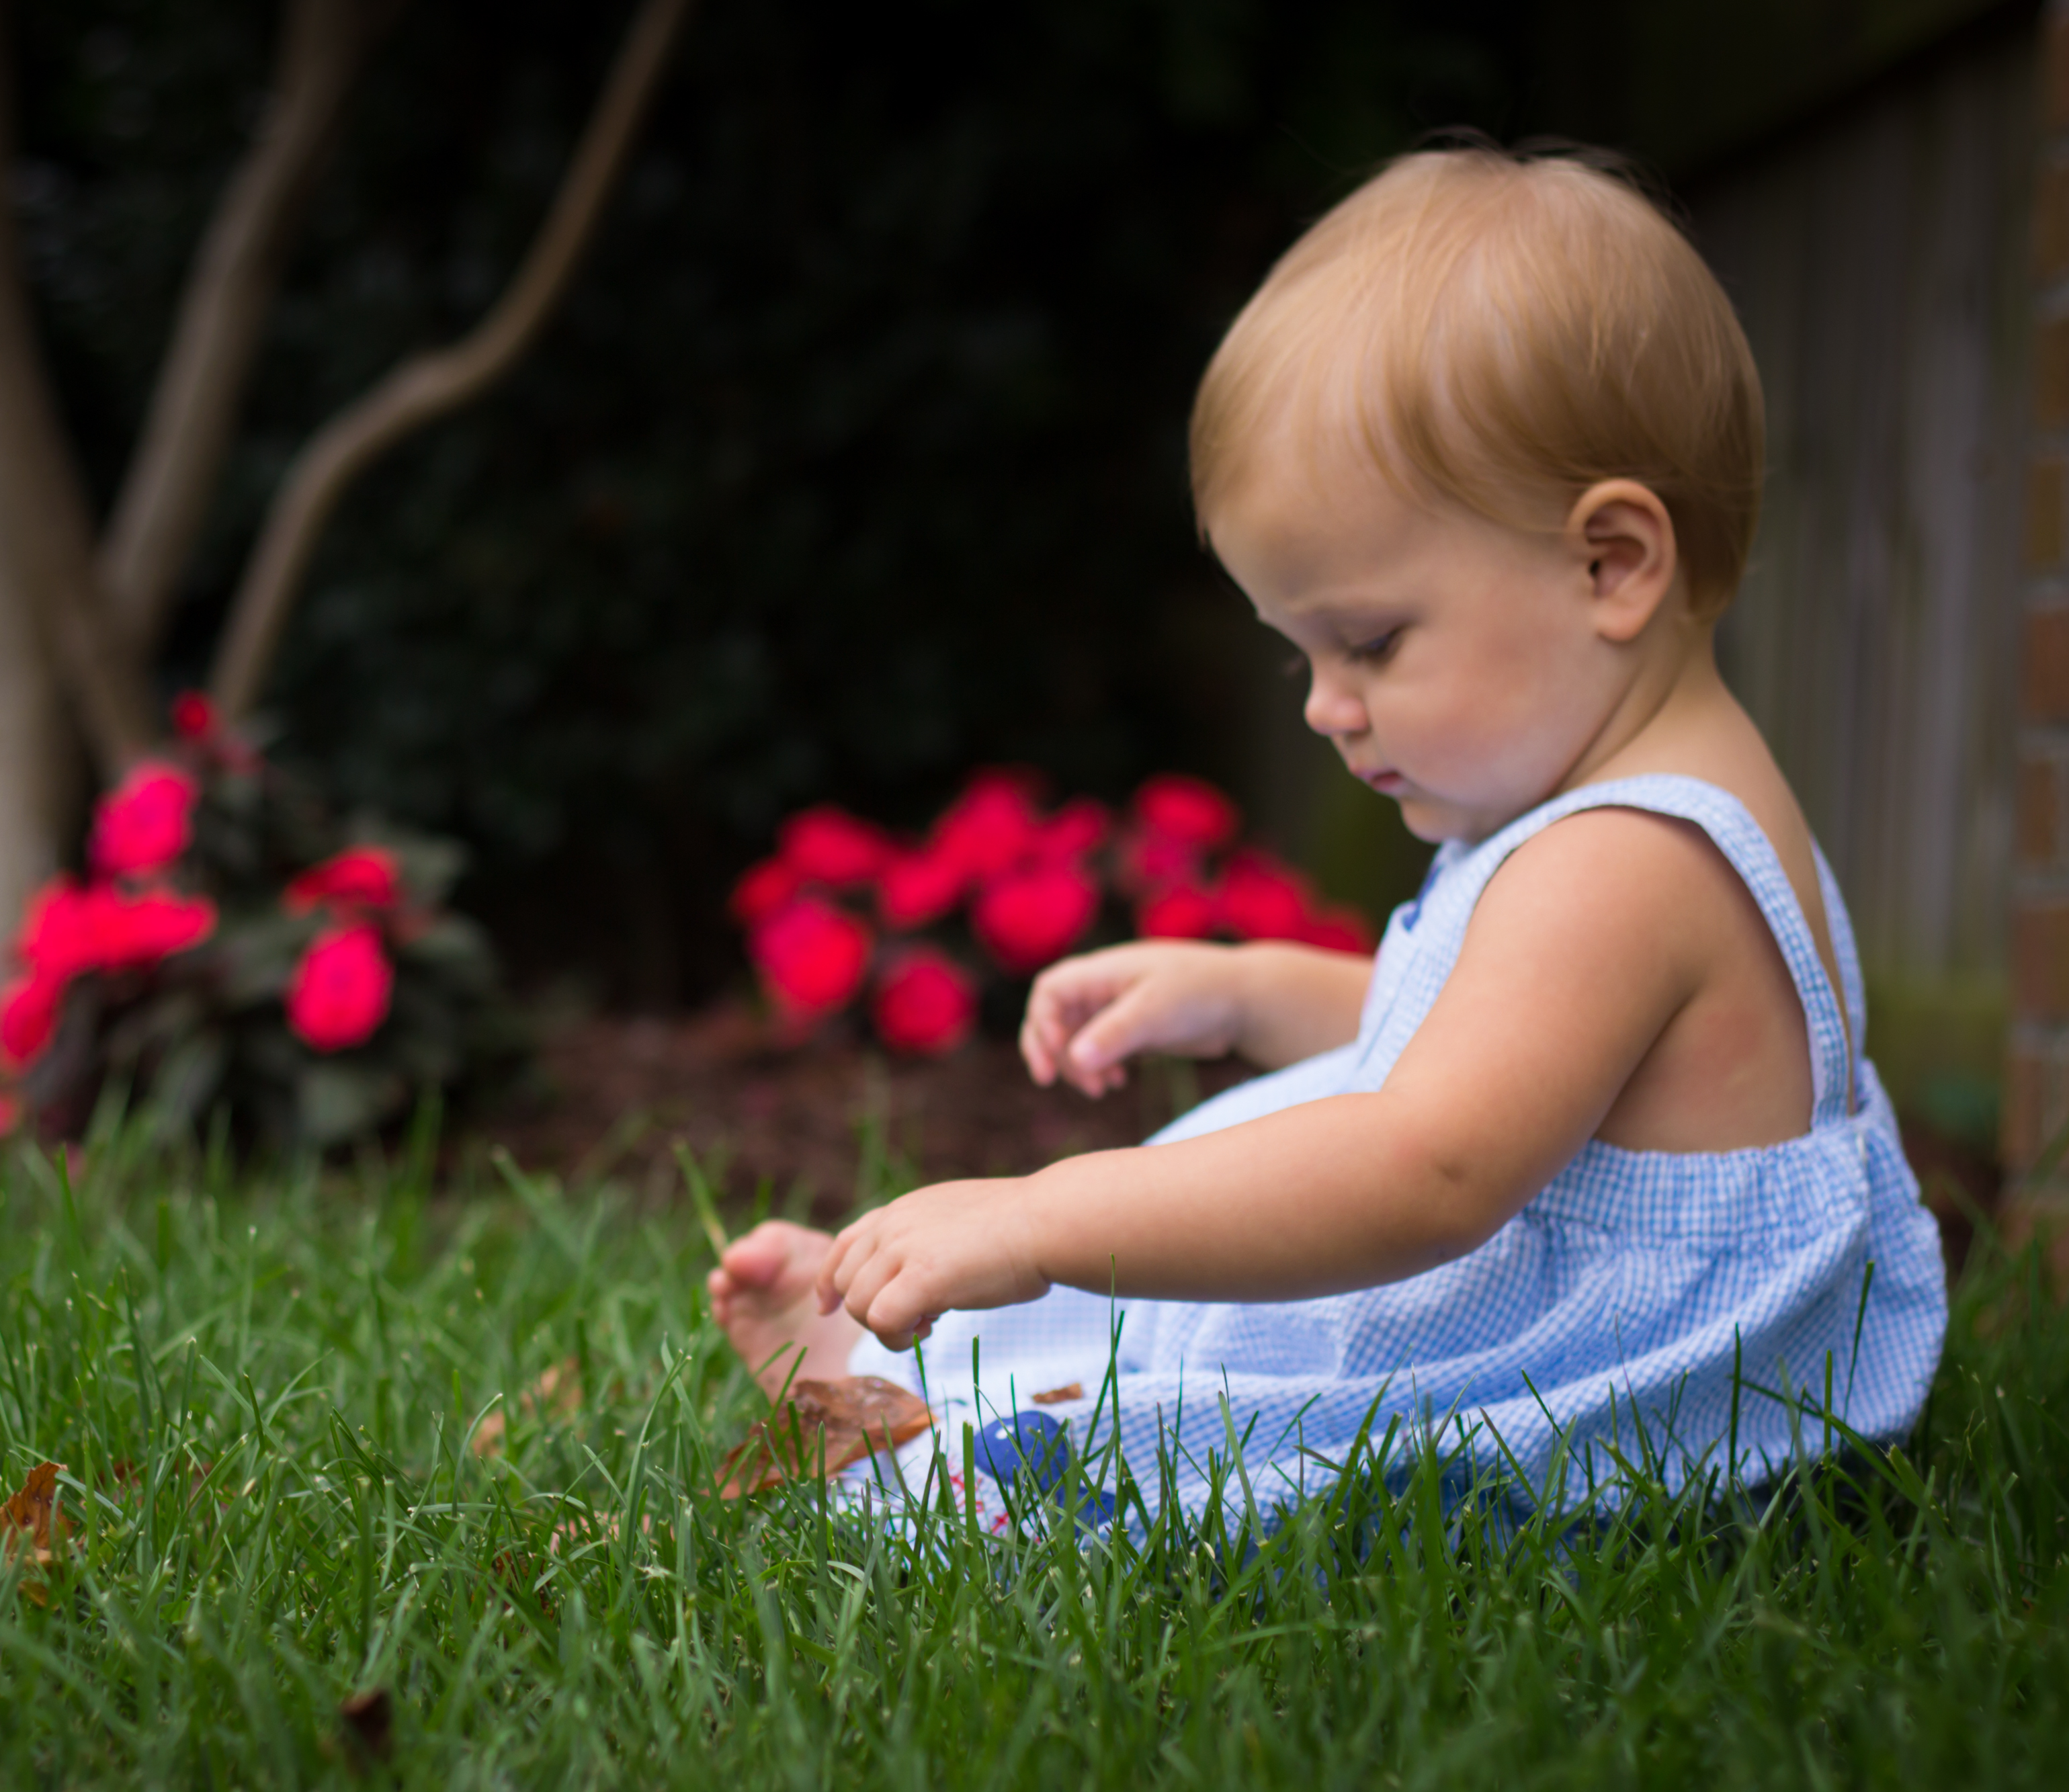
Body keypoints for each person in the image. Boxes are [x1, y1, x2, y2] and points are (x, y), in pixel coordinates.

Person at [707, 143, 1948, 1528]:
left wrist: (1041, 1217)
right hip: (1548, 1308)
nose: (1323, 705)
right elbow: (1494, 1042)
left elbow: (1428, 1167)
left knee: (1145, 1450)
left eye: (1368, 641)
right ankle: (893, 1359)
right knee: (1208, 1265)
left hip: (1572, 1393)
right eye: (1299, 652)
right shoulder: (1629, 797)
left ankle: (930, 1410)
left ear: (1610, 564)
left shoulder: (1626, 860)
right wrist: (1245, 989)